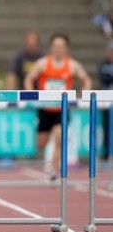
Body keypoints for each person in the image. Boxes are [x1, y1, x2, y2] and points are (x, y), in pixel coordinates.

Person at [24, 33, 92, 180]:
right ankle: (50, 159)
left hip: (62, 109)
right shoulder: (43, 63)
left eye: (61, 46)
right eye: (55, 46)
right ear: (51, 47)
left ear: (66, 48)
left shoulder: (72, 65)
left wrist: (82, 93)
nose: (58, 49)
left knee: (59, 138)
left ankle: (54, 170)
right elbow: (29, 78)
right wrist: (31, 94)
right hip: (44, 108)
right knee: (41, 143)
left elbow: (86, 80)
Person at [97, 41, 113, 160]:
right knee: (107, 127)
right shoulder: (103, 64)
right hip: (107, 100)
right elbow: (103, 78)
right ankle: (106, 153)